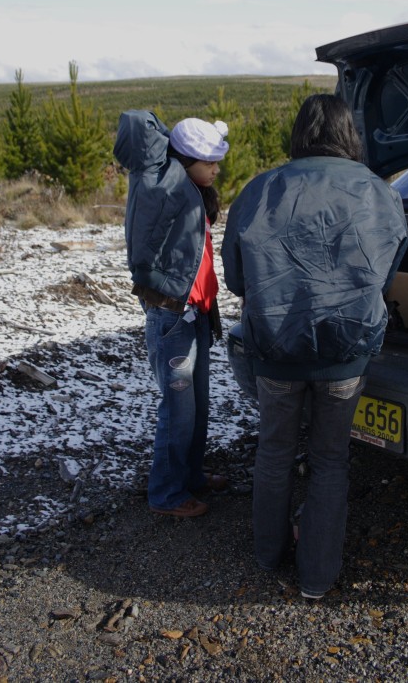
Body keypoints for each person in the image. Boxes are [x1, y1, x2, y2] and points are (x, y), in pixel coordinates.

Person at [221, 93, 408, 598]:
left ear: (299, 133)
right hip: (346, 352)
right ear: (350, 134)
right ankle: (317, 579)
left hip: (276, 349)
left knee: (274, 452)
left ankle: (268, 555)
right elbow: (387, 274)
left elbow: (237, 277)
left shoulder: (259, 189)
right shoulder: (379, 192)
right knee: (330, 460)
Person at [114, 110, 230, 518]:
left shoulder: (192, 191)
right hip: (170, 316)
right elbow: (136, 122)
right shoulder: (158, 181)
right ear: (185, 158)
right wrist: (174, 141)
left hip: (194, 314)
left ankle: (190, 477)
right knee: (178, 409)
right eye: (209, 161)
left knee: (196, 406)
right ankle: (166, 493)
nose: (216, 169)